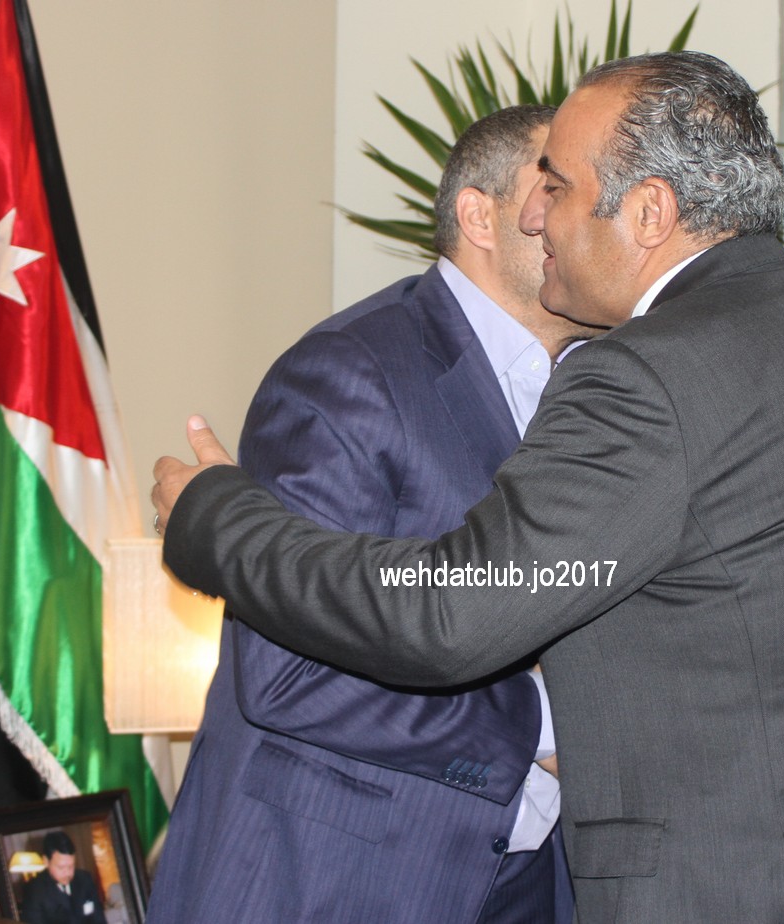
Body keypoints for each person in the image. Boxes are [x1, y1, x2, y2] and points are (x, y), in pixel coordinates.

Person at [151, 52, 784, 922]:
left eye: (561, 188)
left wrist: (213, 517)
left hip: (748, 887)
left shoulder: (652, 375)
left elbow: (449, 611)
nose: (543, 217)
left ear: (650, 212)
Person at [146, 106, 593, 924]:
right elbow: (289, 674)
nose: (578, 213)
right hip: (342, 884)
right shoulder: (351, 372)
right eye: (554, 187)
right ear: (479, 216)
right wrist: (543, 728)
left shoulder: (606, 390)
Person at [20, 832, 106, 924]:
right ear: (46, 862)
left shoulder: (85, 880)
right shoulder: (34, 891)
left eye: (71, 866)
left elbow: (99, 919)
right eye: (61, 867)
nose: (68, 873)